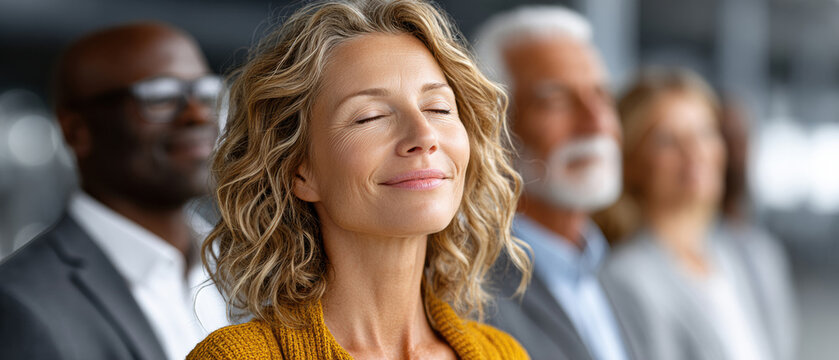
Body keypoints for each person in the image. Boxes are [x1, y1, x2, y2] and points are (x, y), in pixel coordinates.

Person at [187, 0, 531, 359]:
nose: (424, 135)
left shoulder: (503, 353)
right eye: (370, 117)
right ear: (299, 169)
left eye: (439, 108)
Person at [0, 22, 228, 360]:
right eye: (161, 97)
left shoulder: (243, 271)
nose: (197, 115)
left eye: (207, 94)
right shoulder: (21, 304)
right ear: (77, 130)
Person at [597, 67, 797, 360]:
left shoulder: (757, 256)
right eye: (667, 139)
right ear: (630, 162)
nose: (694, 152)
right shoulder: (625, 279)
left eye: (705, 133)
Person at [473, 6, 638, 360]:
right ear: (493, 129)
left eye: (601, 95)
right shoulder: (469, 293)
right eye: (556, 100)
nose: (595, 121)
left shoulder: (608, 270)